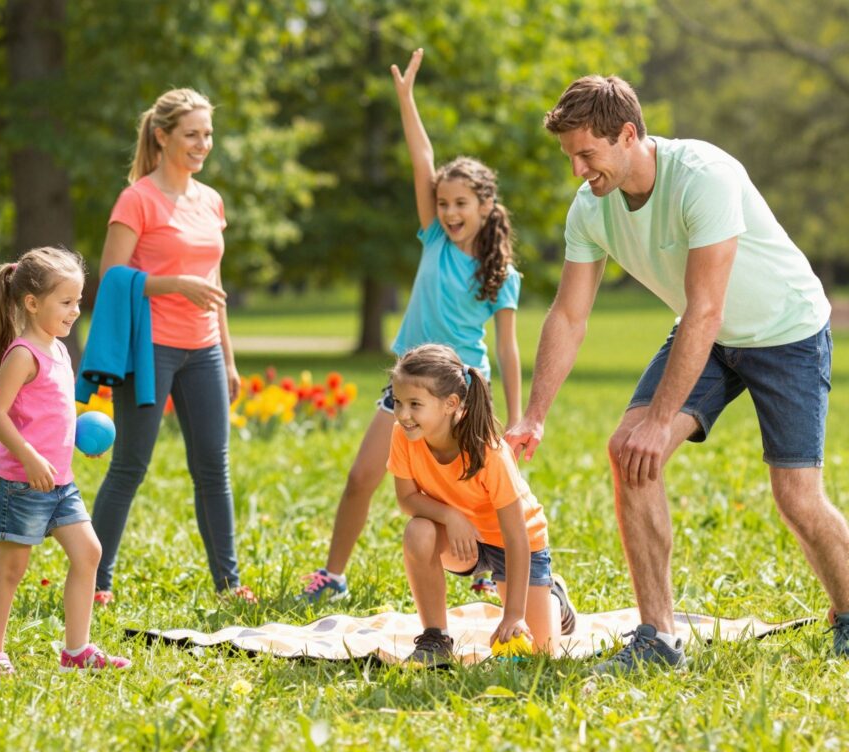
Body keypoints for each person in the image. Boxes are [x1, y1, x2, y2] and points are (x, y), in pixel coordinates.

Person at [507, 74, 849, 673]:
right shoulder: (591, 207)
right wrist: (534, 413)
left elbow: (706, 306)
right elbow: (568, 314)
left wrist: (663, 418)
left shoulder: (703, 176)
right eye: (571, 156)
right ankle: (659, 638)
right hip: (709, 338)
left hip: (786, 332)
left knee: (796, 497)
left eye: (587, 153)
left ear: (628, 135)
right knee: (629, 453)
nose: (578, 170)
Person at [301, 48, 523, 602]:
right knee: (362, 477)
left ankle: (492, 571)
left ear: (486, 204)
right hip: (407, 382)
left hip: (465, 390)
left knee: (485, 488)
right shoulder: (433, 240)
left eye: (461, 204)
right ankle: (332, 576)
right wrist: (407, 100)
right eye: (443, 203)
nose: (449, 213)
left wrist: (518, 420)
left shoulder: (502, 273)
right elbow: (421, 157)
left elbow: (510, 350)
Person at [90, 88, 256, 605]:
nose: (203, 143)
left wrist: (228, 358)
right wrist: (173, 284)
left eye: (208, 134)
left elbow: (215, 283)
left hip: (203, 348)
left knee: (214, 467)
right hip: (150, 348)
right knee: (130, 466)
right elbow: (111, 275)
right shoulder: (136, 199)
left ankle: (228, 584)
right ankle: (95, 582)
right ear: (162, 137)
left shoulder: (210, 200)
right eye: (192, 134)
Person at [0, 247, 130, 674]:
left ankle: (76, 650)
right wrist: (28, 457)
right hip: (20, 483)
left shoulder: (60, 350)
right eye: (66, 302)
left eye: (78, 301)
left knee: (89, 553)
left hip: (59, 482)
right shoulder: (24, 354)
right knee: (11, 567)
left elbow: (49, 413)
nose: (75, 311)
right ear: (31, 303)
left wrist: (79, 439)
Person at [387, 344, 575, 666]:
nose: (403, 414)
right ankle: (435, 637)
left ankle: (554, 598)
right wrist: (450, 515)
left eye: (415, 404)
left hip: (516, 544)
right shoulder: (403, 435)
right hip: (463, 539)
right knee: (418, 530)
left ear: (451, 404)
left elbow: (517, 537)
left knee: (541, 656)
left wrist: (514, 615)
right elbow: (407, 500)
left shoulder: (488, 450)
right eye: (398, 402)